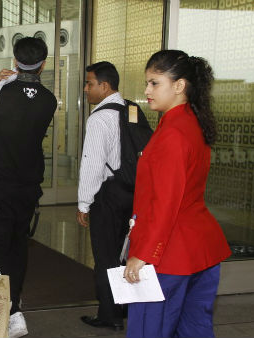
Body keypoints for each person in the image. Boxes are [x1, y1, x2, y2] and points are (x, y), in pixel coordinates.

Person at [123, 50, 231, 338]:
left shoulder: (173, 132)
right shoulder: (190, 123)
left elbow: (166, 203)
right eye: (147, 83)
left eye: (155, 83)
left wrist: (143, 254)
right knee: (194, 329)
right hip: (200, 249)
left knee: (148, 329)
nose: (147, 91)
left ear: (180, 86)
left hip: (171, 254)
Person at [0, 37, 56, 338]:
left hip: (0, 183)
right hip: (28, 185)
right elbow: (29, 99)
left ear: (14, 61)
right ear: (44, 64)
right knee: (18, 246)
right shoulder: (49, 100)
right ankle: (13, 309)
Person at [76, 61, 129, 330]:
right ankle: (124, 306)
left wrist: (84, 203)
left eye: (90, 83)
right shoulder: (131, 110)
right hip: (130, 193)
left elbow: (92, 164)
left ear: (104, 86)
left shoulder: (99, 118)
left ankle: (109, 316)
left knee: (105, 257)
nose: (86, 89)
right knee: (123, 254)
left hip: (107, 197)